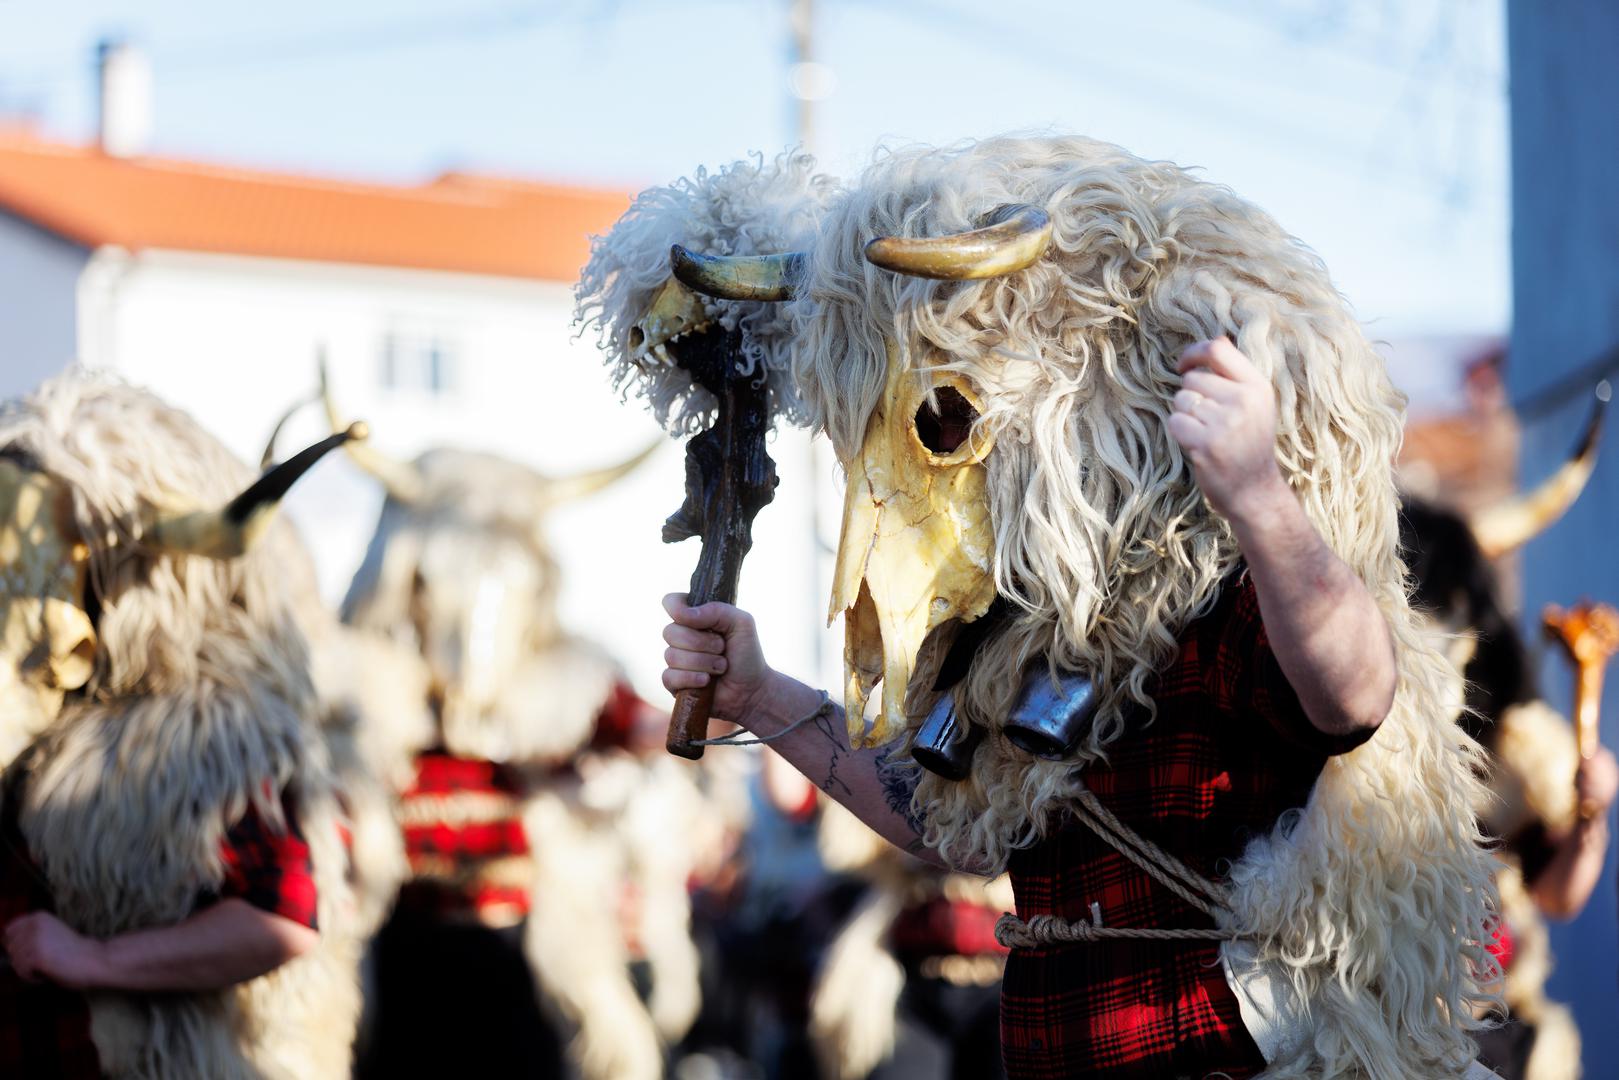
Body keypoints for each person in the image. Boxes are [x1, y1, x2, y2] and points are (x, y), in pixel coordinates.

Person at [638, 135, 1498, 1080]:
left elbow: (1356, 697)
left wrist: (1259, 497)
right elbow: (944, 827)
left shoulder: (1216, 585)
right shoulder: (1010, 636)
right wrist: (760, 696)